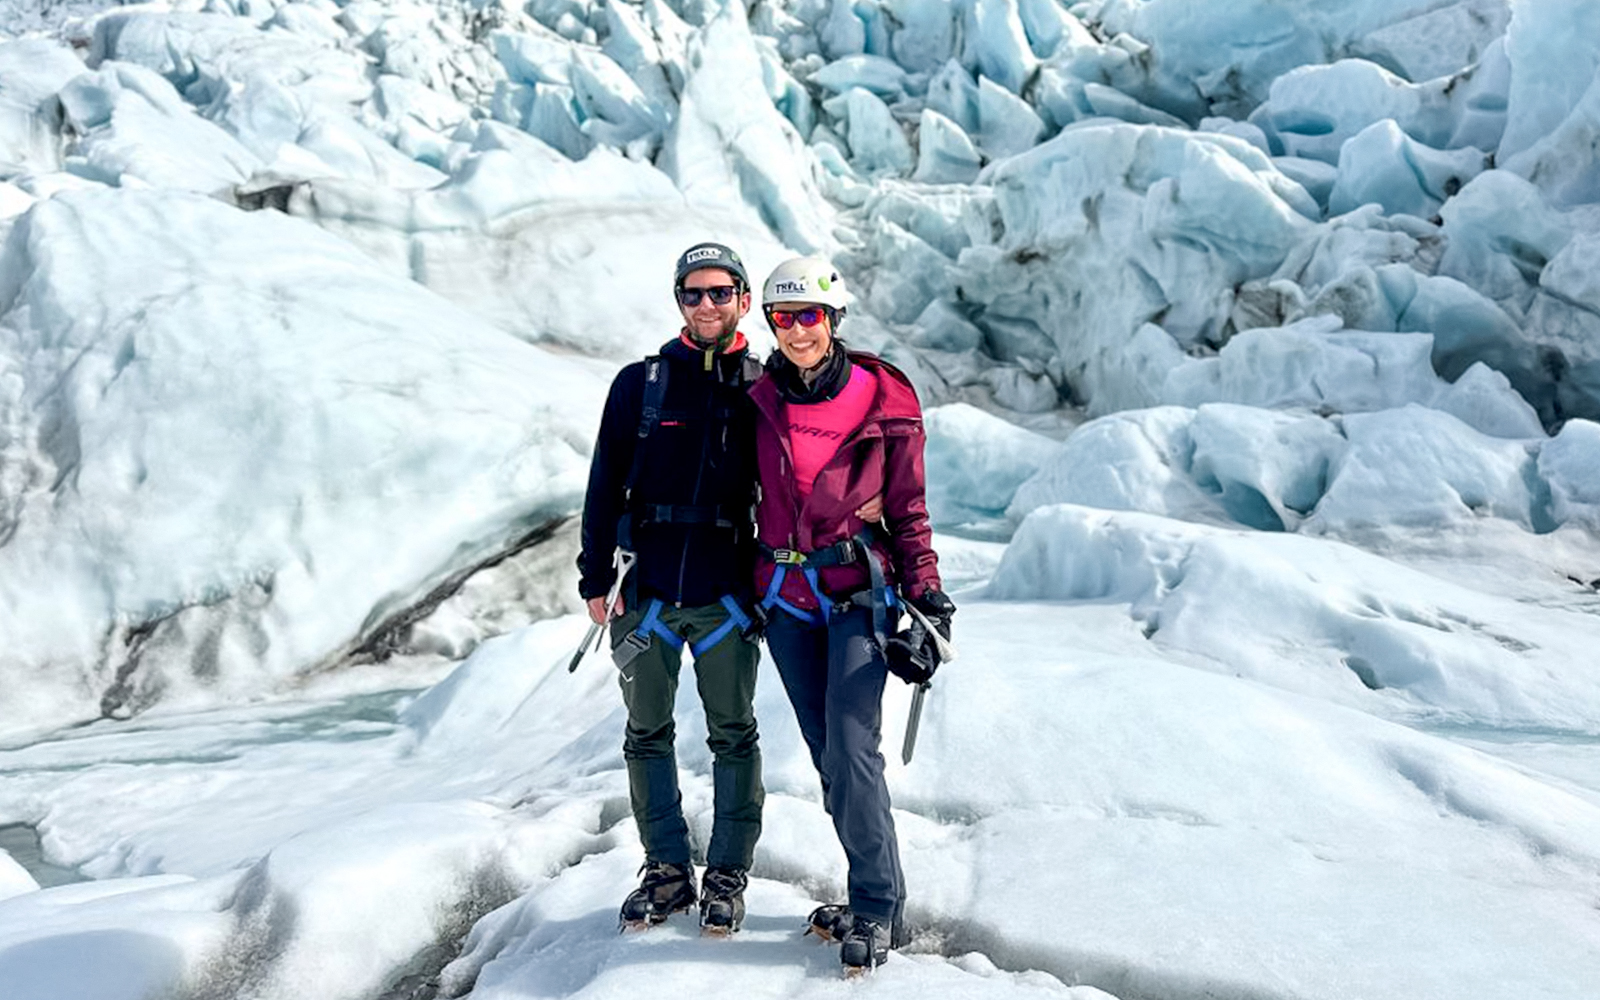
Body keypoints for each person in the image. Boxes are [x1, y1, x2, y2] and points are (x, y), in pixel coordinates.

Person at [747, 256, 957, 973]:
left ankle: (874, 908)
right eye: (783, 317)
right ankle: (880, 899)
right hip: (784, 601)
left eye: (809, 315)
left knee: (851, 746)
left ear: (833, 319)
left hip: (857, 597)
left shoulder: (883, 398)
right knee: (828, 759)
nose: (797, 329)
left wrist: (928, 598)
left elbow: (908, 509)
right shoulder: (761, 398)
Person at [576, 242, 765, 935]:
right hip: (644, 595)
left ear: (744, 300)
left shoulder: (764, 388)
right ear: (679, 301)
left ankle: (726, 874)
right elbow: (603, 483)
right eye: (694, 293)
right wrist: (595, 575)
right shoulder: (641, 384)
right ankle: (665, 871)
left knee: (734, 735)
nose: (707, 304)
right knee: (645, 734)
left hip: (726, 598)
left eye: (721, 292)